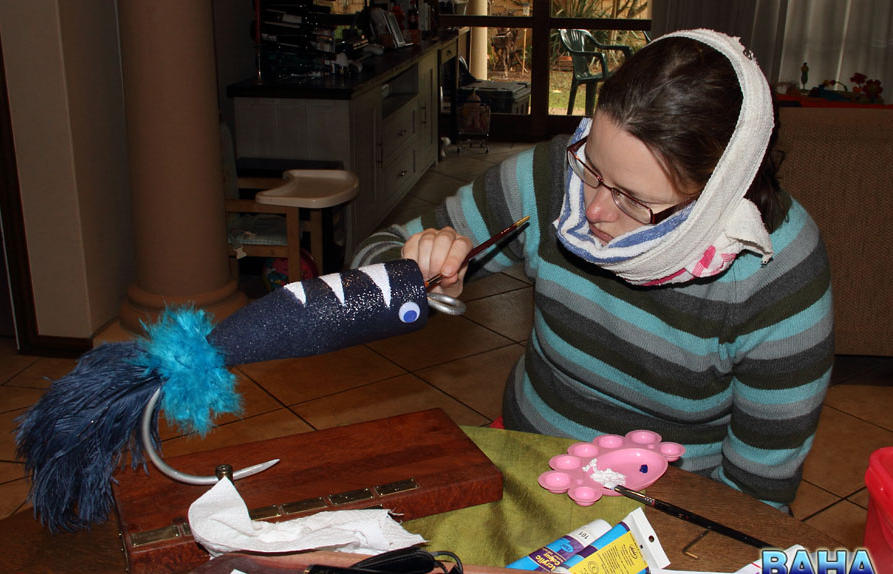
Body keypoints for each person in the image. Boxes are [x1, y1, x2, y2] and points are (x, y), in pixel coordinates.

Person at [351, 29, 833, 511]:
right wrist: (415, 276)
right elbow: (371, 261)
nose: (594, 209)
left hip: (668, 504)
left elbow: (755, 496)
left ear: (719, 196)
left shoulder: (780, 270)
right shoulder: (550, 179)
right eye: (592, 167)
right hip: (530, 458)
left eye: (633, 198)